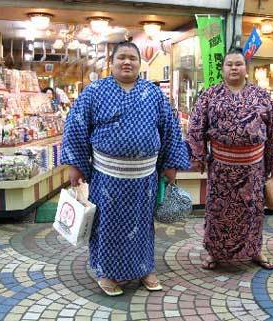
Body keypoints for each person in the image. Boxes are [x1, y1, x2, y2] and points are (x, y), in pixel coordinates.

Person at [60, 41, 189, 296]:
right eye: (121, 57)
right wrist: (75, 165)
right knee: (107, 225)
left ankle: (144, 268)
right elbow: (75, 127)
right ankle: (107, 273)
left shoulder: (153, 95)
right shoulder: (94, 92)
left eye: (132, 58)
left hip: (144, 178)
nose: (126, 62)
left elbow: (171, 130)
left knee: (143, 226)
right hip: (107, 177)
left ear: (139, 64)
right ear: (112, 62)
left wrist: (171, 165)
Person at [187, 47, 273, 271]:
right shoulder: (210, 95)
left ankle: (254, 251)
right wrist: (198, 156)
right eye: (229, 64)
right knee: (218, 211)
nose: (234, 68)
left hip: (253, 168)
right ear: (222, 69)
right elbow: (195, 128)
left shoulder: (261, 96)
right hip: (221, 167)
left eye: (238, 64)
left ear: (246, 69)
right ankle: (215, 253)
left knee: (253, 211)